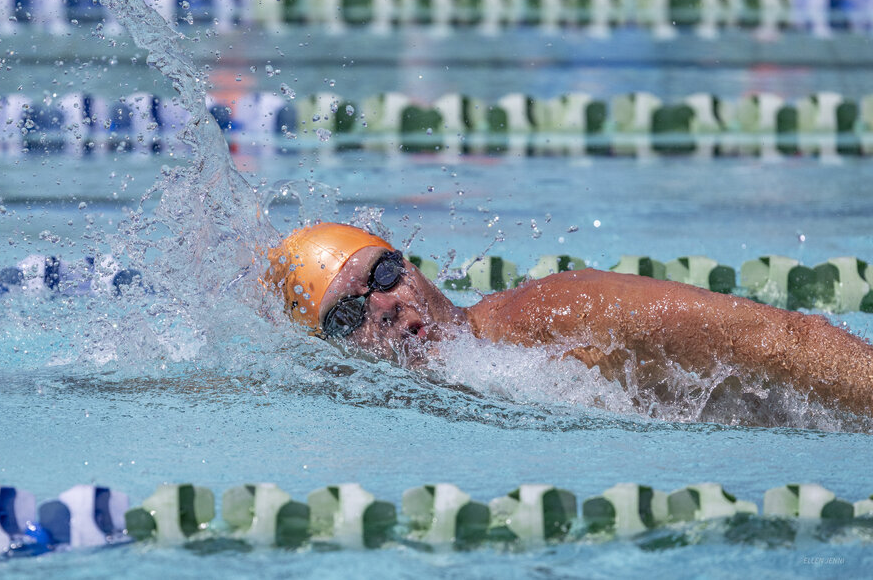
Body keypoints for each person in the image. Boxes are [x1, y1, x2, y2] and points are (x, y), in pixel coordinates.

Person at [265, 222, 873, 416]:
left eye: (383, 275)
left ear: (409, 261)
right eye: (348, 316)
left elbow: (777, 338)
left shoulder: (554, 314)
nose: (385, 306)